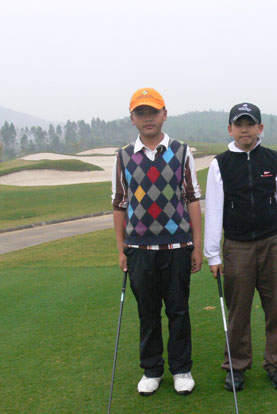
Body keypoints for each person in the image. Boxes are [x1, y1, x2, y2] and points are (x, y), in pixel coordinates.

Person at [111, 87, 202, 396]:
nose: (148, 118)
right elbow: (119, 204)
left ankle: (181, 369)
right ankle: (151, 369)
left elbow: (192, 199)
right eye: (141, 113)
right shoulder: (124, 156)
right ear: (132, 118)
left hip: (177, 247)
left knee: (178, 311)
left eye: (153, 112)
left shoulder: (181, 151)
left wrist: (196, 246)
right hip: (139, 249)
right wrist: (121, 249)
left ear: (164, 114)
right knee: (147, 313)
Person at [204, 102, 277, 391]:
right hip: (237, 246)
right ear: (230, 129)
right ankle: (236, 366)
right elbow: (214, 211)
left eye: (250, 124)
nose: (244, 129)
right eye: (239, 124)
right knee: (238, 311)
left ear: (260, 128)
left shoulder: (273, 159)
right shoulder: (220, 164)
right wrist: (212, 254)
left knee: (274, 308)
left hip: (272, 243)